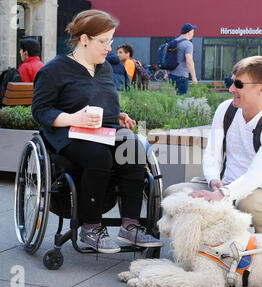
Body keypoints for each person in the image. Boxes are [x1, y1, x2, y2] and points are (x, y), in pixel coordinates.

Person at [31, 9, 163, 253]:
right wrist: (73, 118)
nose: (109, 48)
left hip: (104, 131)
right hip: (69, 134)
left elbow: (106, 102)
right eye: (103, 41)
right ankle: (91, 228)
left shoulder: (104, 69)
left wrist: (120, 116)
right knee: (99, 156)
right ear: (84, 39)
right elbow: (40, 110)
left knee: (133, 147)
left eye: (111, 41)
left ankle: (130, 226)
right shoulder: (54, 70)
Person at [164, 56, 262, 235]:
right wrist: (214, 180)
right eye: (231, 82)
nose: (231, 89)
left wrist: (224, 193)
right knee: (173, 193)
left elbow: (257, 174)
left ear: (261, 89)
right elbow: (212, 153)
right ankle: (198, 250)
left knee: (247, 204)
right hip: (224, 185)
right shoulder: (225, 109)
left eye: (238, 84)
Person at [168, 23, 198, 95]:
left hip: (171, 75)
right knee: (182, 100)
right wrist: (194, 78)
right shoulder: (188, 44)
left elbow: (168, 58)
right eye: (193, 32)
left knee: (173, 98)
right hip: (181, 77)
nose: (193, 34)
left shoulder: (174, 42)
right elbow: (189, 61)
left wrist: (166, 73)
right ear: (188, 32)